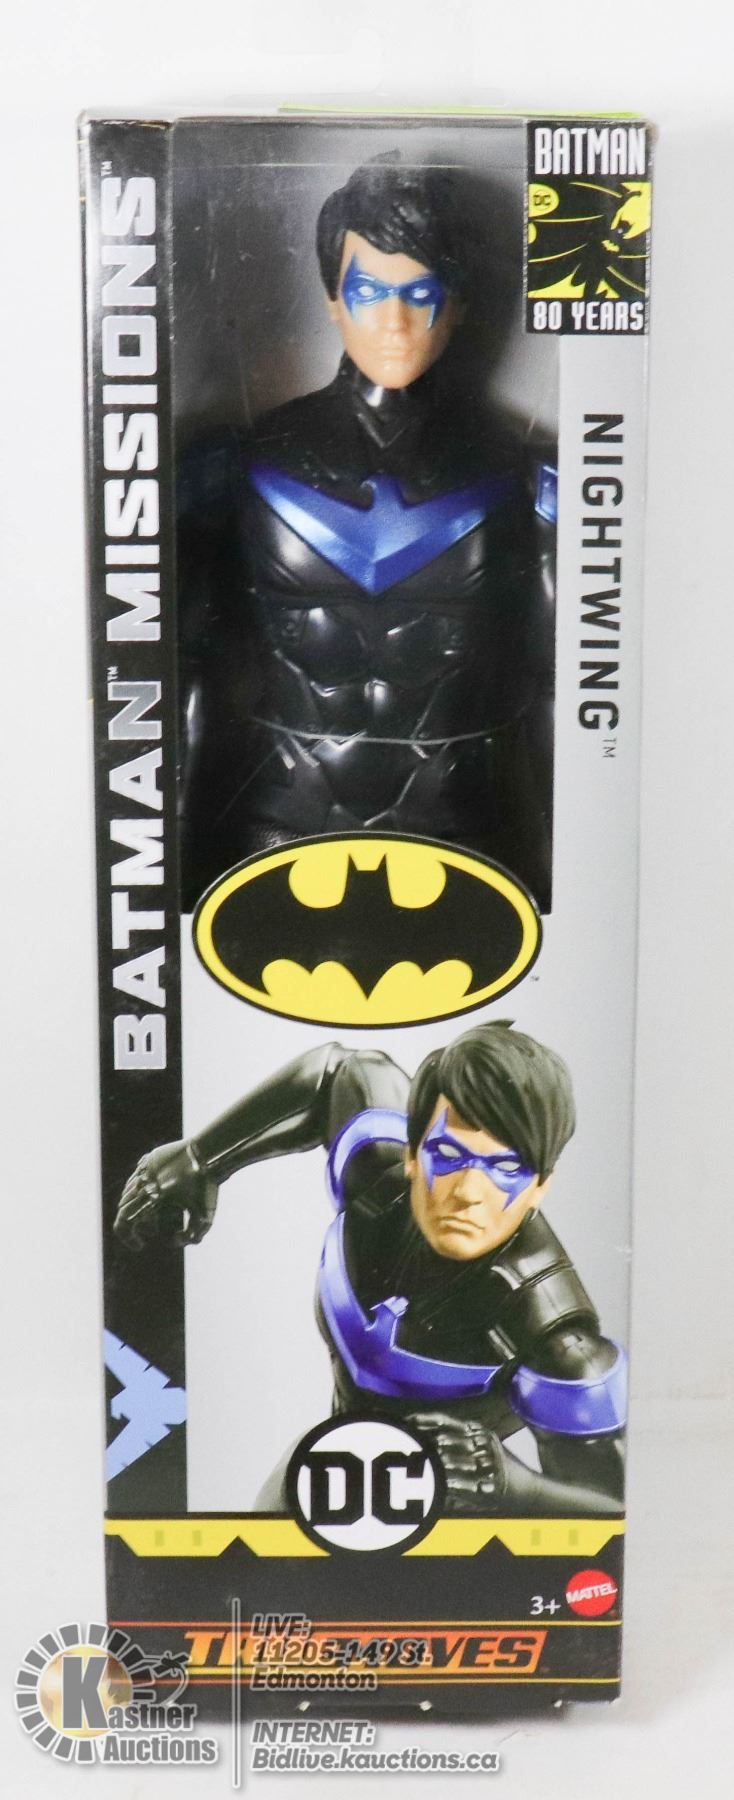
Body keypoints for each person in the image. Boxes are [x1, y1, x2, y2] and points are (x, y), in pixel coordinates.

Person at [178, 158, 555, 912]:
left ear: (457, 305)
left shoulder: (524, 479)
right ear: (333, 300)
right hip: (274, 818)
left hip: (466, 824)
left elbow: (563, 691)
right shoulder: (240, 465)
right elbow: (177, 673)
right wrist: (174, 844)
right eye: (370, 292)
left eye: (420, 293)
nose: (395, 322)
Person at [114, 1022, 625, 1516]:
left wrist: (516, 1489)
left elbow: (610, 1510)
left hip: (452, 1524)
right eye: (448, 1154)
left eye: (507, 1168)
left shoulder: (558, 1344)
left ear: (541, 1185)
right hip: (330, 1466)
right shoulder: (378, 1176)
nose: (469, 1192)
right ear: (413, 1152)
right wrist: (201, 1157)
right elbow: (334, 1072)